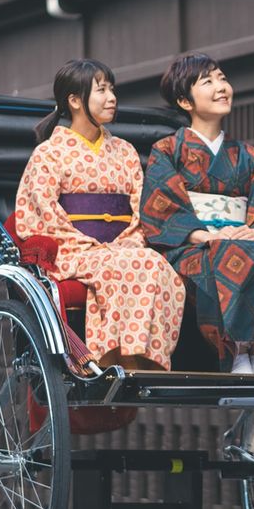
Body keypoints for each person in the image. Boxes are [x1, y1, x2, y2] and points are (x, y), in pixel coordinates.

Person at [14, 58, 186, 371]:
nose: (112, 98)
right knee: (131, 265)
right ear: (74, 100)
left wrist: (126, 243)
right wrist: (94, 248)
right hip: (73, 250)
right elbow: (42, 211)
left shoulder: (125, 150)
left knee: (157, 265)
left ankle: (141, 359)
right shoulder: (49, 154)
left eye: (112, 90)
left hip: (123, 246)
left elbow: (140, 207)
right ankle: (117, 359)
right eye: (102, 90)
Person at [141, 53, 254, 374]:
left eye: (222, 78)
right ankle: (238, 351)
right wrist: (205, 235)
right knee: (227, 253)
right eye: (208, 82)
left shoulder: (248, 154)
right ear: (185, 101)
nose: (221, 87)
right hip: (192, 246)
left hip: (242, 240)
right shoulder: (167, 150)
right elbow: (161, 207)